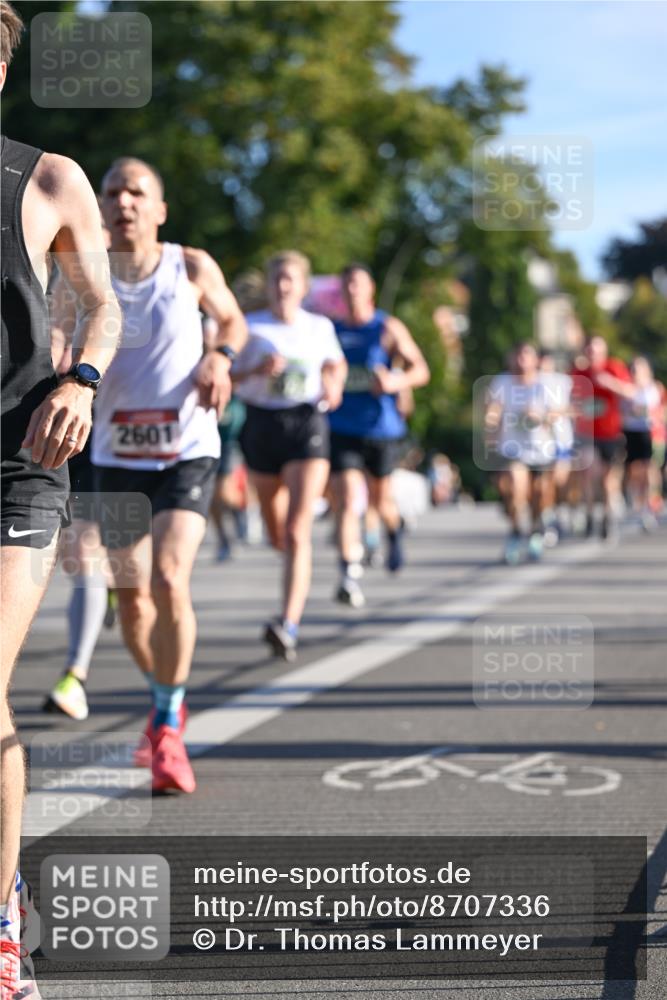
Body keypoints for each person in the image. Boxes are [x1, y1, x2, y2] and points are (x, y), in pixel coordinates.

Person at [0, 4, 121, 995]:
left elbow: (101, 300)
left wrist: (81, 378)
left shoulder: (46, 179)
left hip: (20, 455)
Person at [94, 157, 247, 792]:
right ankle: (165, 696)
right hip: (114, 453)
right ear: (99, 205)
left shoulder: (191, 265)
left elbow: (234, 318)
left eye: (138, 192)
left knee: (169, 578)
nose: (124, 201)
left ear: (159, 209)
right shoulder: (81, 270)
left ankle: (165, 726)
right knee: (130, 601)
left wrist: (219, 354)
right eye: (113, 191)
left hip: (186, 446)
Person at [233, 250, 347, 659]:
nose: (283, 287)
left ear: (302, 287)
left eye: (290, 280)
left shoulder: (319, 326)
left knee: (298, 529)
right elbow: (227, 376)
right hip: (262, 424)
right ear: (268, 286)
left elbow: (336, 365)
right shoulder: (248, 327)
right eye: (277, 279)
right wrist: (255, 372)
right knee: (277, 530)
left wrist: (333, 385)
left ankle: (288, 623)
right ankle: (296, 563)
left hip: (306, 424)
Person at [327, 264, 429, 606]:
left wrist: (395, 382)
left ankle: (393, 529)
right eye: (346, 285)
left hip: (381, 428)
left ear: (369, 289)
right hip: (341, 426)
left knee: (379, 498)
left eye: (357, 284)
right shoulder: (332, 330)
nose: (351, 291)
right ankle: (348, 573)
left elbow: (421, 370)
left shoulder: (386, 327)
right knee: (344, 500)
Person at [485, 343, 566, 564]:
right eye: (517, 354)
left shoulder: (545, 383)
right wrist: (491, 419)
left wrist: (540, 416)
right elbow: (494, 406)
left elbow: (560, 411)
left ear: (535, 359)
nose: (521, 360)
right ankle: (515, 531)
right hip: (513, 449)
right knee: (515, 488)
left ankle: (535, 530)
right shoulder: (502, 381)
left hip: (541, 449)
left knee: (539, 495)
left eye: (526, 355)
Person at [571, 335, 631, 539]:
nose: (593, 355)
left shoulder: (614, 367)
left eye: (597, 351)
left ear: (604, 352)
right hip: (586, 433)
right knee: (588, 472)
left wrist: (610, 383)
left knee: (607, 480)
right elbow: (569, 398)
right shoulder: (578, 372)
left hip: (611, 433)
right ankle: (589, 513)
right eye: (589, 351)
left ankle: (606, 516)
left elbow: (631, 392)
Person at [616, 357, 662, 530]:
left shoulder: (653, 387)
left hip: (649, 433)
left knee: (650, 469)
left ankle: (651, 505)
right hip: (629, 432)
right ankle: (636, 502)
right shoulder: (625, 386)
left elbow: (652, 409)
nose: (636, 372)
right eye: (633, 369)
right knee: (633, 471)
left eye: (640, 369)